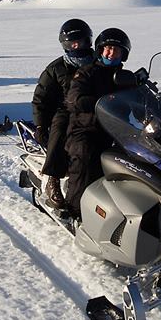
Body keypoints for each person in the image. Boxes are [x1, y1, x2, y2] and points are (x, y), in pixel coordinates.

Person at [63, 27, 131, 217]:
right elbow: (74, 97)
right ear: (100, 50)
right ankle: (74, 209)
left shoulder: (127, 78)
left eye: (116, 50)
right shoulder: (87, 73)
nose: (111, 53)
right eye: (108, 49)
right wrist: (90, 102)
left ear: (123, 54)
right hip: (86, 129)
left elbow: (142, 97)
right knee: (86, 156)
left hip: (117, 131)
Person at [31, 19, 95, 210]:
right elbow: (41, 98)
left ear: (88, 41)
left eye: (79, 42)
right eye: (71, 43)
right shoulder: (56, 68)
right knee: (59, 131)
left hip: (95, 110)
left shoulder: (98, 63)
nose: (76, 47)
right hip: (65, 111)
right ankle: (53, 178)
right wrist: (41, 125)